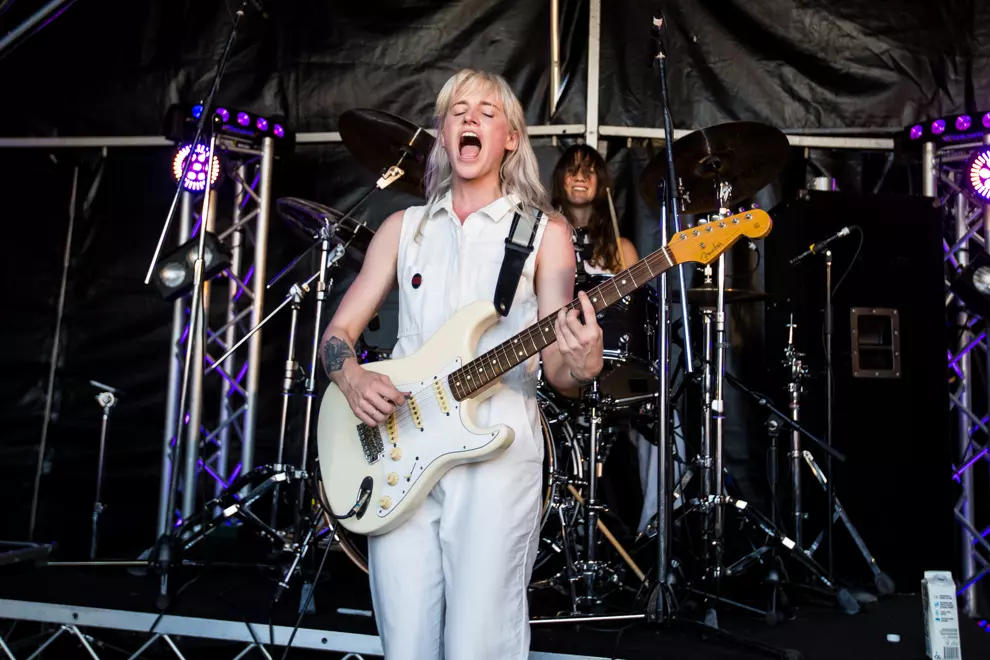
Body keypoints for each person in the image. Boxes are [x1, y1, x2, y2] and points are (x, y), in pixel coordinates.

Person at [318, 69, 604, 660]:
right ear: (445, 136)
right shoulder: (404, 228)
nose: (470, 119)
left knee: (481, 643)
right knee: (406, 644)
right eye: (457, 111)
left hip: (496, 454)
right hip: (399, 444)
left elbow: (559, 371)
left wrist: (584, 361)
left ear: (511, 139)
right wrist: (352, 375)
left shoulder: (545, 233)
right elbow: (337, 335)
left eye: (486, 112)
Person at [550, 144, 638, 279]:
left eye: (588, 172)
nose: (579, 177)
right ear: (560, 180)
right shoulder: (544, 242)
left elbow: (634, 299)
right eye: (571, 170)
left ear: (600, 184)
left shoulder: (622, 250)